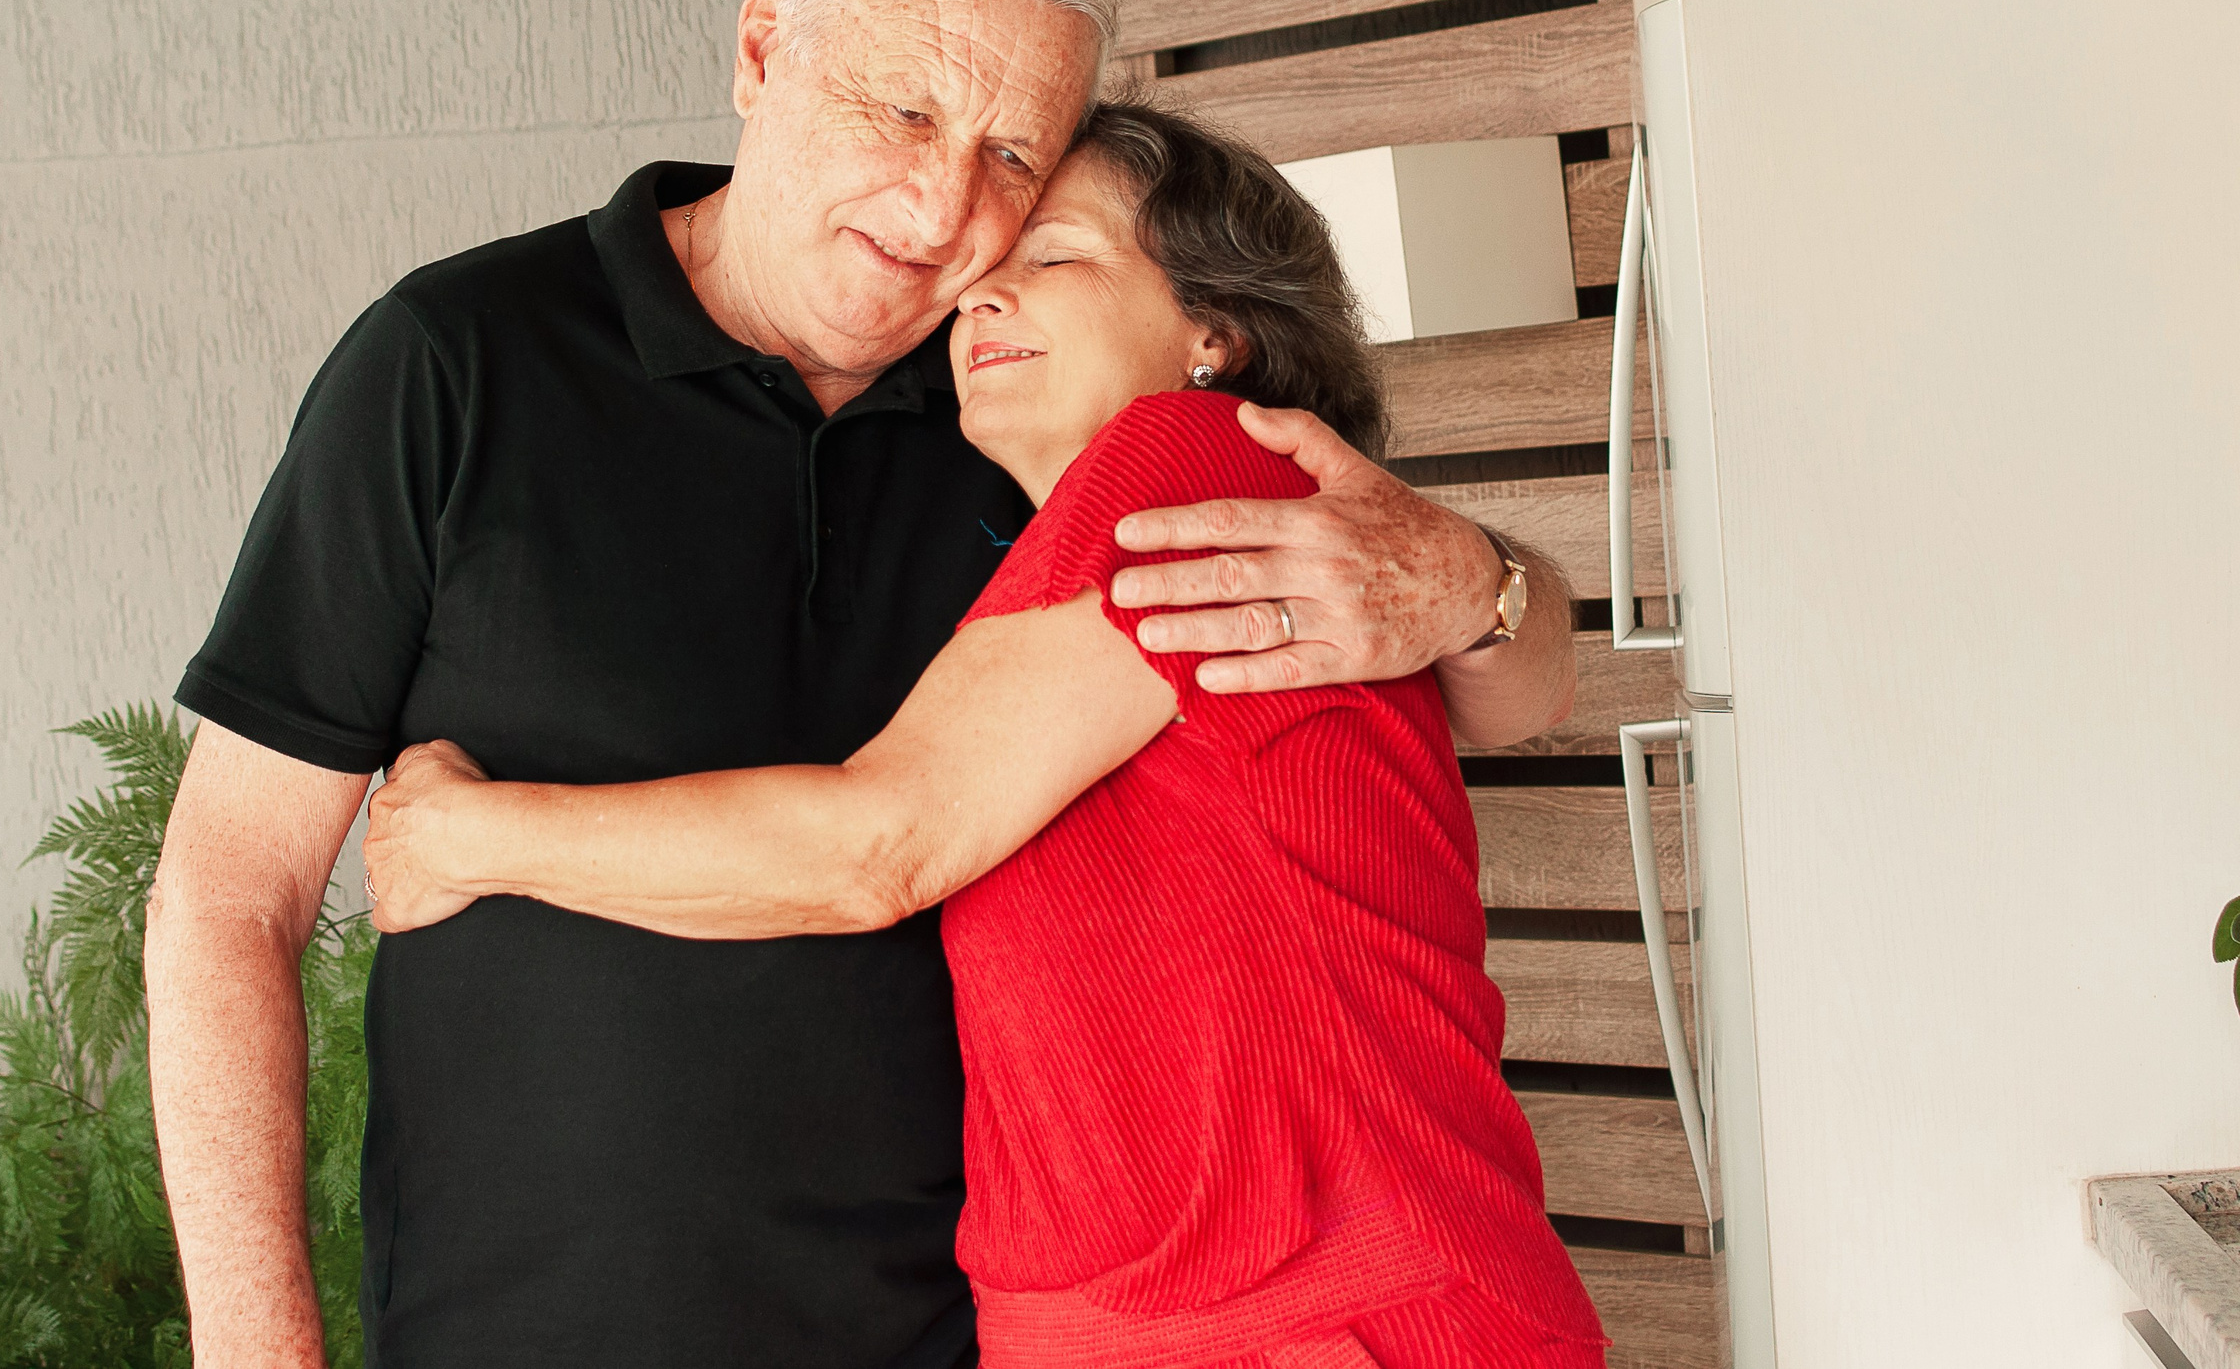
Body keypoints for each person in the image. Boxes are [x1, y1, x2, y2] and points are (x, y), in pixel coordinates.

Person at [144, 0, 1576, 1369]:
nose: (944, 203)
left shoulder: (1030, 429)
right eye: (903, 106)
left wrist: (1485, 582)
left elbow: (898, 836)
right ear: (764, 49)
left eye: (1014, 160)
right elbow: (229, 897)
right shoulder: (458, 363)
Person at [362, 102, 1608, 1369]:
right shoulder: (1092, 541)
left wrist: (468, 832)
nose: (984, 300)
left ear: (1212, 332)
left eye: (1053, 255)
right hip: (1152, 1319)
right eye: (978, 275)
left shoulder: (1184, 472)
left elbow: (875, 846)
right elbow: (1512, 695)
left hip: (1309, 1312)